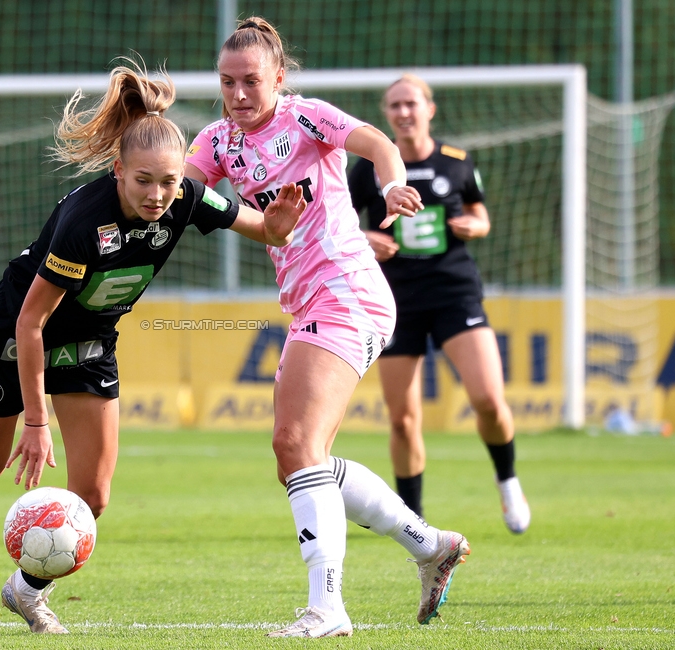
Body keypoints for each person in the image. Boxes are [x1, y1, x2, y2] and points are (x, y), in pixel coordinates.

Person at [0, 60, 305, 634]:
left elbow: (262, 228)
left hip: (90, 341)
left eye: (168, 182)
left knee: (91, 495)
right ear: (118, 171)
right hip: (15, 334)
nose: (158, 194)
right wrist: (37, 423)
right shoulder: (83, 222)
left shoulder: (188, 197)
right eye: (143, 180)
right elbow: (31, 324)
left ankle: (24, 591)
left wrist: (279, 225)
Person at [185, 17, 471, 638]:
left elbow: (378, 145)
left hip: (348, 293)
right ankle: (431, 545)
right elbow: (182, 195)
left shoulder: (307, 117)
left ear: (278, 78)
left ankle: (328, 607)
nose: (237, 95)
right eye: (227, 82)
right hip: (309, 303)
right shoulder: (216, 141)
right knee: (302, 456)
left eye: (251, 82)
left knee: (295, 445)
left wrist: (393, 185)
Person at [348, 74, 531, 534]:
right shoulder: (366, 168)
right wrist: (367, 238)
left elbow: (481, 216)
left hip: (454, 291)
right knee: (404, 420)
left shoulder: (456, 162)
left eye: (411, 103)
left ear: (429, 109)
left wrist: (474, 225)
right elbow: (340, 225)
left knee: (488, 399)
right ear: (386, 114)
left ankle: (507, 480)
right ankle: (415, 522)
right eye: (394, 105)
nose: (403, 112)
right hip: (393, 299)